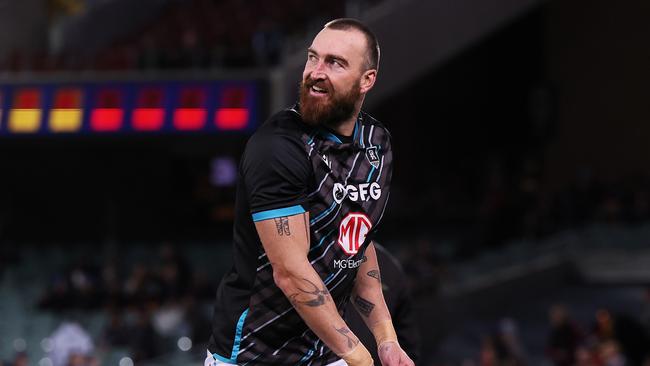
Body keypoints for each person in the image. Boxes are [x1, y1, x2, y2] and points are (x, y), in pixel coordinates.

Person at [206, 18, 414, 366]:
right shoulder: (277, 148)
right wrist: (358, 357)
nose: (316, 72)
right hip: (253, 355)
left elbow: (356, 244)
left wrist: (386, 339)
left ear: (368, 80)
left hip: (325, 349)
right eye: (312, 58)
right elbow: (290, 273)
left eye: (335, 62)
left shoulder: (376, 144)